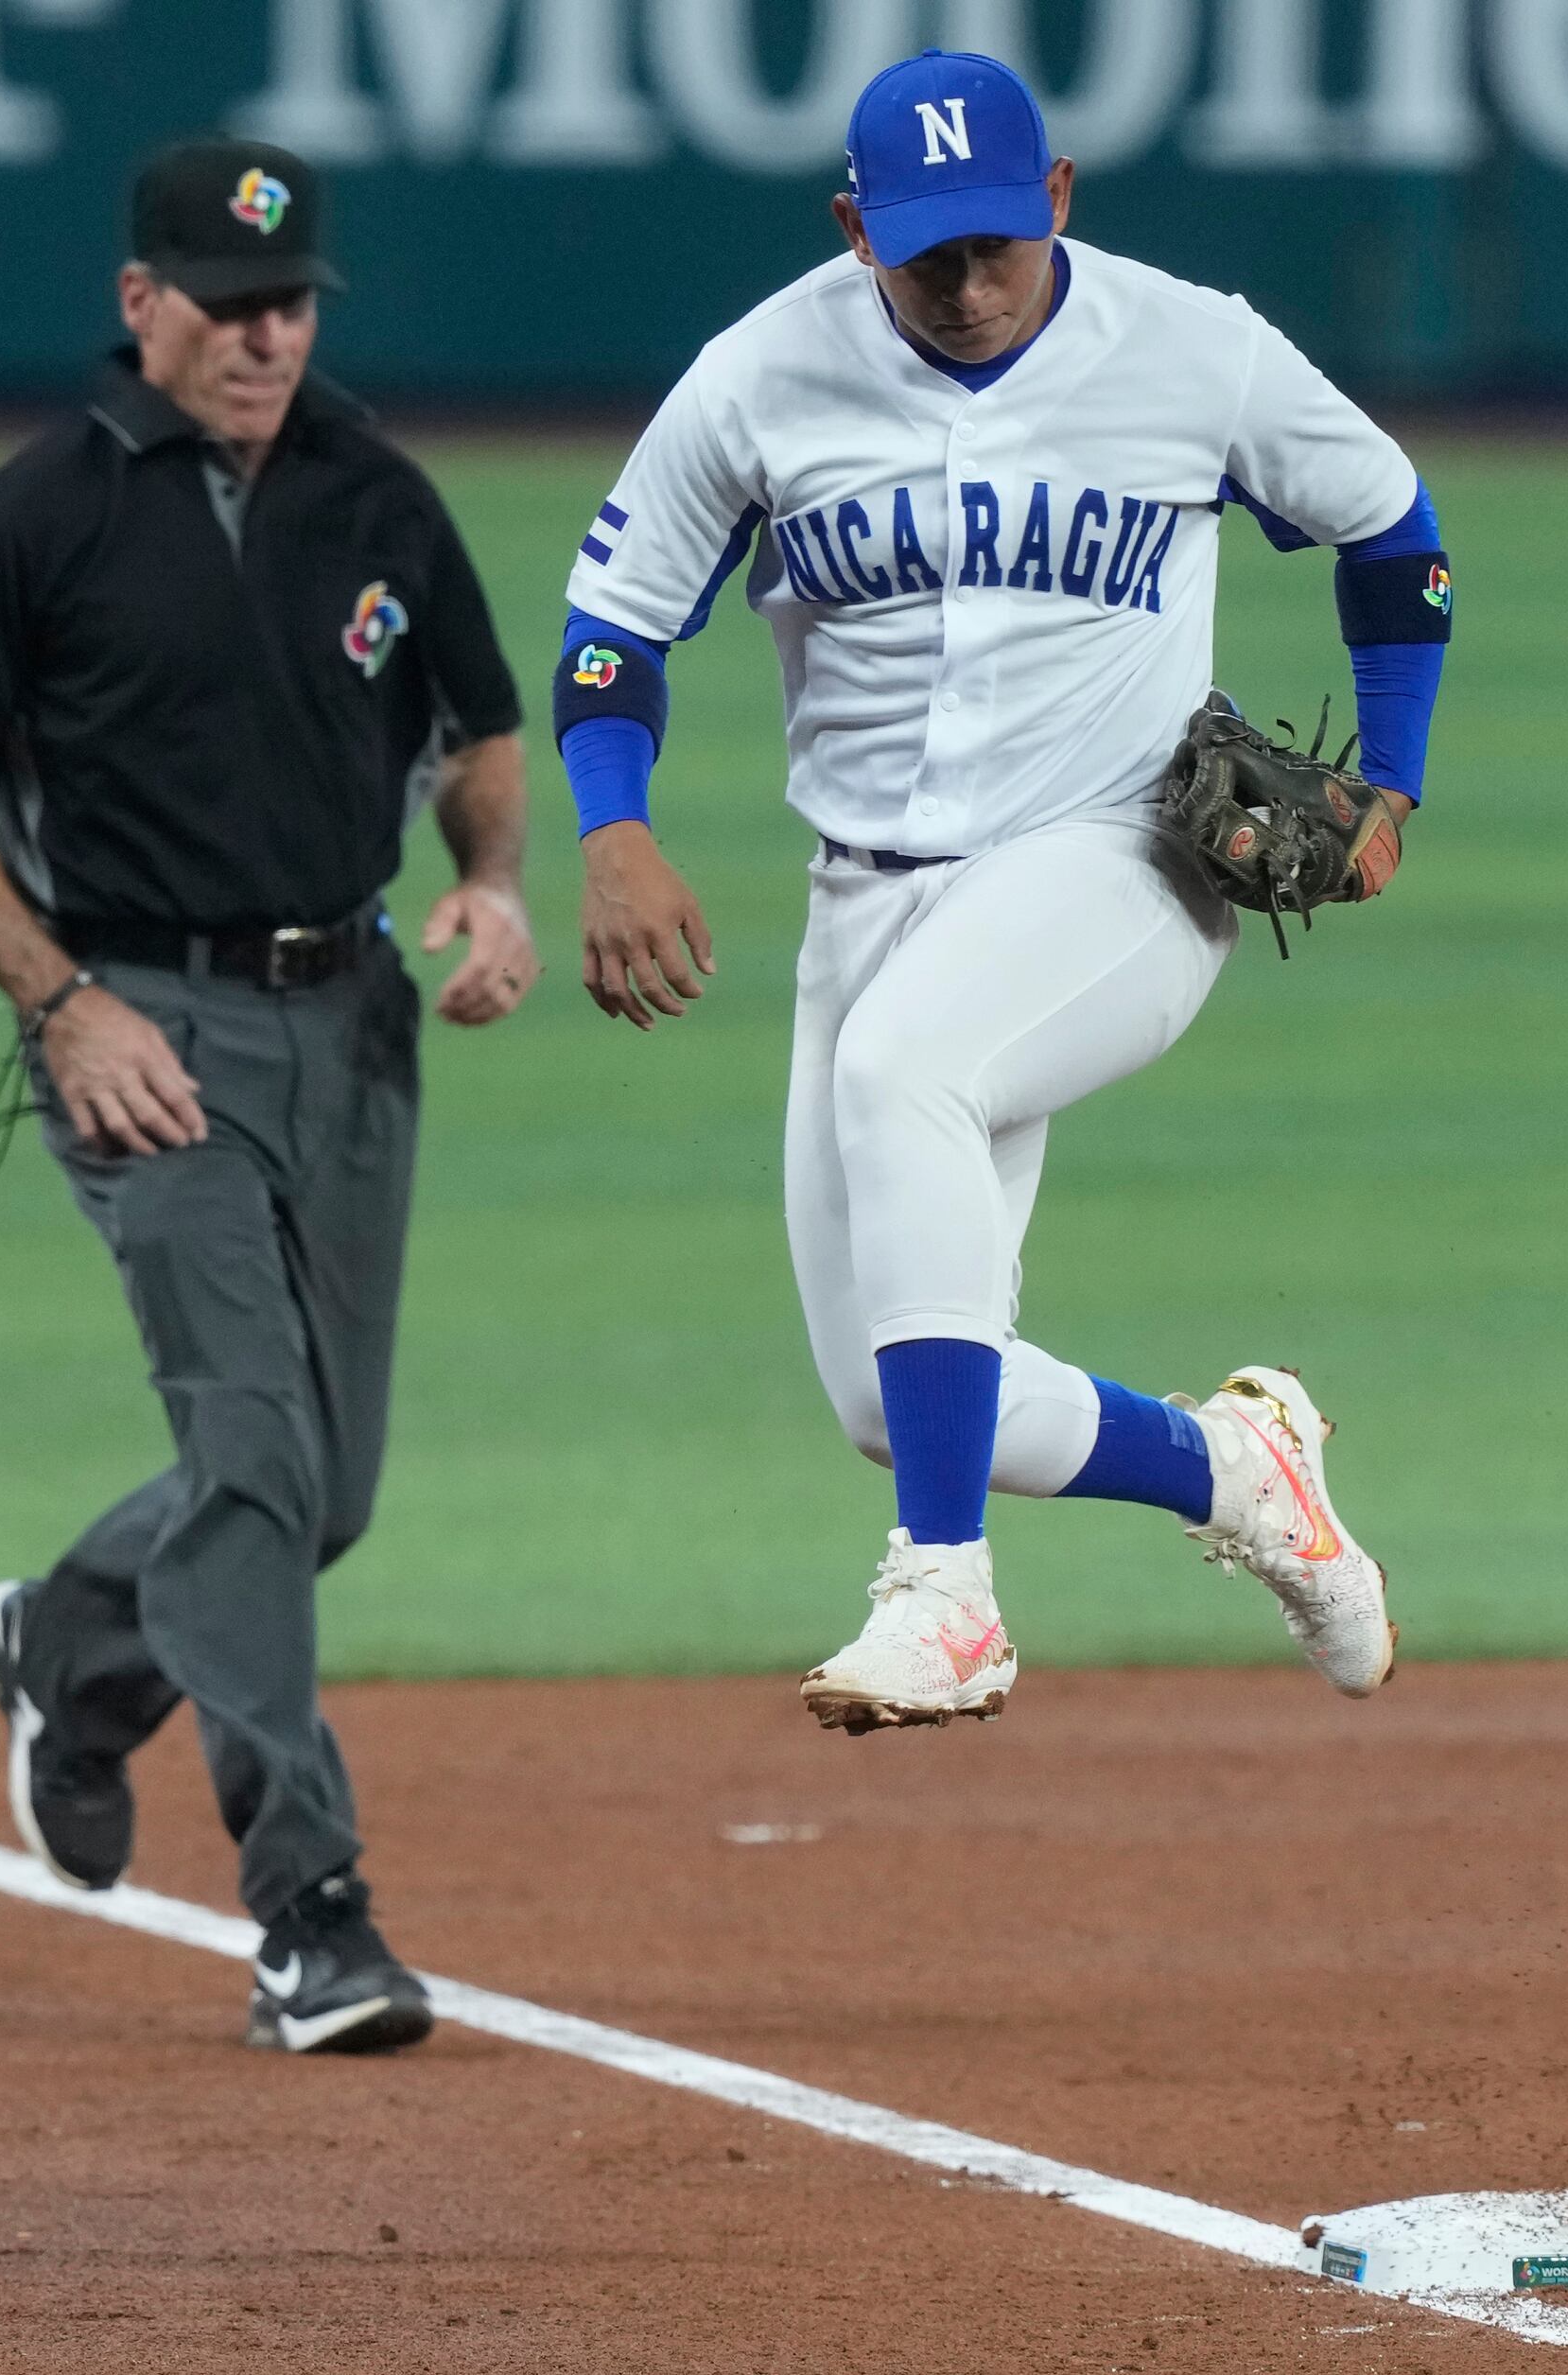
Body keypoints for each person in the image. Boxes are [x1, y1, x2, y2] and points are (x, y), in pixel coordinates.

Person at [551, 51, 1450, 1732]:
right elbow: (613, 633)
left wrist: (1390, 778)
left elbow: (1396, 534)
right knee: (893, 1395)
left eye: (994, 243)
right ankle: (1238, 1471)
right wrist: (615, 829)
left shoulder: (1192, 348)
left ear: (1056, 198)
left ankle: (946, 1598)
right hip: (865, 900)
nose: (966, 285)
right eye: (924, 255)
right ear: (854, 229)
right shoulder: (757, 376)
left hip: (1116, 867)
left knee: (908, 1071)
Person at [0, 138, 533, 2054]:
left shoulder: (379, 492)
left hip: (355, 1024)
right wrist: (61, 1002)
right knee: (252, 1451)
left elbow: (478, 727)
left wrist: (491, 882)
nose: (265, 338)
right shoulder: (22, 521)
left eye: (290, 303)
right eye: (228, 307)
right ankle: (313, 1916)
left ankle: (74, 1640)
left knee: (323, 1489)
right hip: (139, 1030)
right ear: (139, 300)